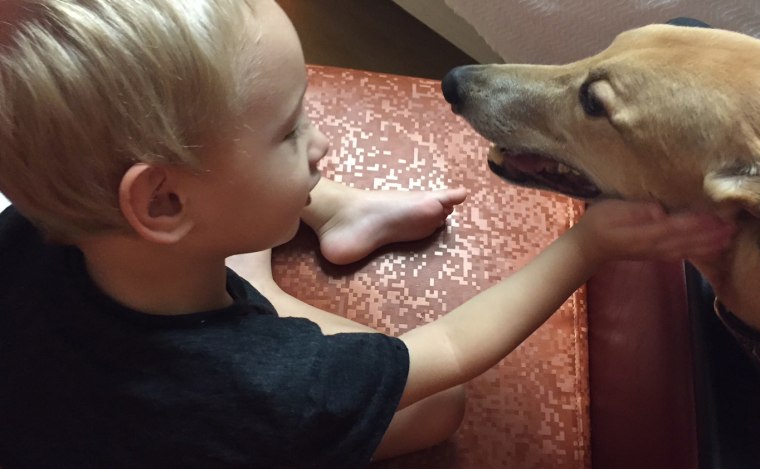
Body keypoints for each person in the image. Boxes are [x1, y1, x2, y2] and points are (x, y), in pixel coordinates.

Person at [0, 0, 735, 467]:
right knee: (437, 407)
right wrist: (590, 244)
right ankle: (264, 276)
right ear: (161, 203)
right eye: (291, 131)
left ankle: (333, 219)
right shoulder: (276, 385)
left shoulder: (42, 220)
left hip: (111, 348)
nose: (322, 141)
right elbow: (444, 350)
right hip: (203, 419)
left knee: (249, 202)